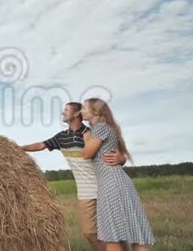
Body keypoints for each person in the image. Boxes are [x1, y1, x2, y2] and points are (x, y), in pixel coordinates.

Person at [20, 102, 126, 251]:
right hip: (85, 192)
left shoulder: (92, 133)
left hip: (104, 187)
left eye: (66, 110)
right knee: (90, 233)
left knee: (112, 234)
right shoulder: (62, 137)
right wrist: (18, 148)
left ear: (76, 114)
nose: (63, 112)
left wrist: (122, 159)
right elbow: (40, 145)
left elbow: (113, 152)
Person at [81, 98, 155, 251]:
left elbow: (87, 153)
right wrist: (122, 158)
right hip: (117, 180)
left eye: (84, 108)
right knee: (135, 234)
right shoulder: (106, 127)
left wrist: (85, 136)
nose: (81, 111)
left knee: (111, 236)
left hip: (111, 183)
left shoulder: (100, 128)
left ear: (95, 111)